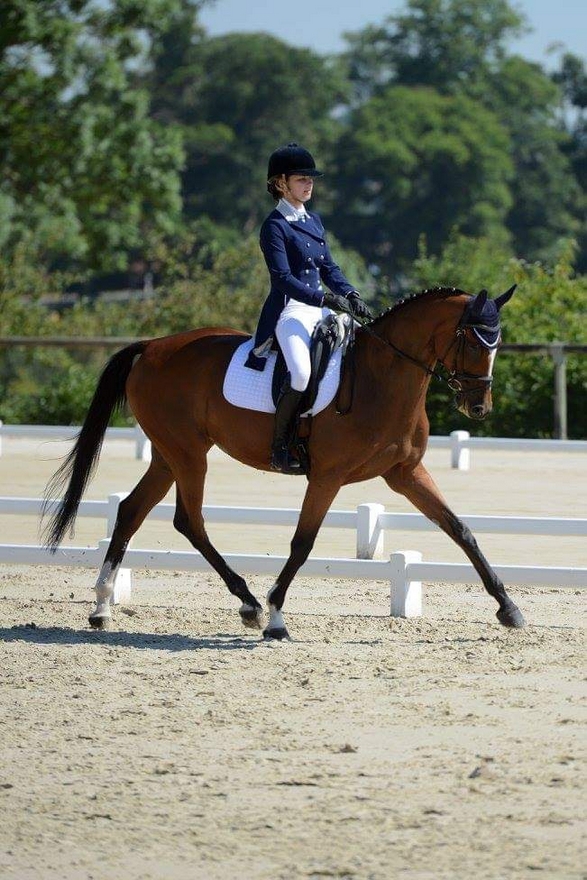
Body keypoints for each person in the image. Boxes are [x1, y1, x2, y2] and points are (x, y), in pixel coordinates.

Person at [245, 142, 373, 474]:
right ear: (280, 183)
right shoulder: (275, 226)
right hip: (291, 311)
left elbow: (328, 268)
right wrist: (323, 299)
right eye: (301, 179)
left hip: (321, 309)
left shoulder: (314, 221)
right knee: (301, 374)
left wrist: (350, 293)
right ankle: (280, 447)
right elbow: (282, 278)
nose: (309, 184)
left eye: (310, 179)